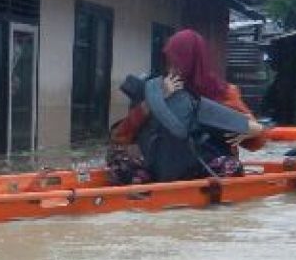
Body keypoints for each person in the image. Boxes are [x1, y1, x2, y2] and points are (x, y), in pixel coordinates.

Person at [109, 28, 265, 183]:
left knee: (231, 167)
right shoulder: (156, 88)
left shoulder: (221, 92)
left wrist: (251, 132)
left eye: (177, 63)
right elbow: (120, 135)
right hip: (158, 167)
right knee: (118, 160)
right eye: (169, 62)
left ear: (192, 62)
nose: (172, 69)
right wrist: (155, 101)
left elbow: (257, 140)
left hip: (202, 167)